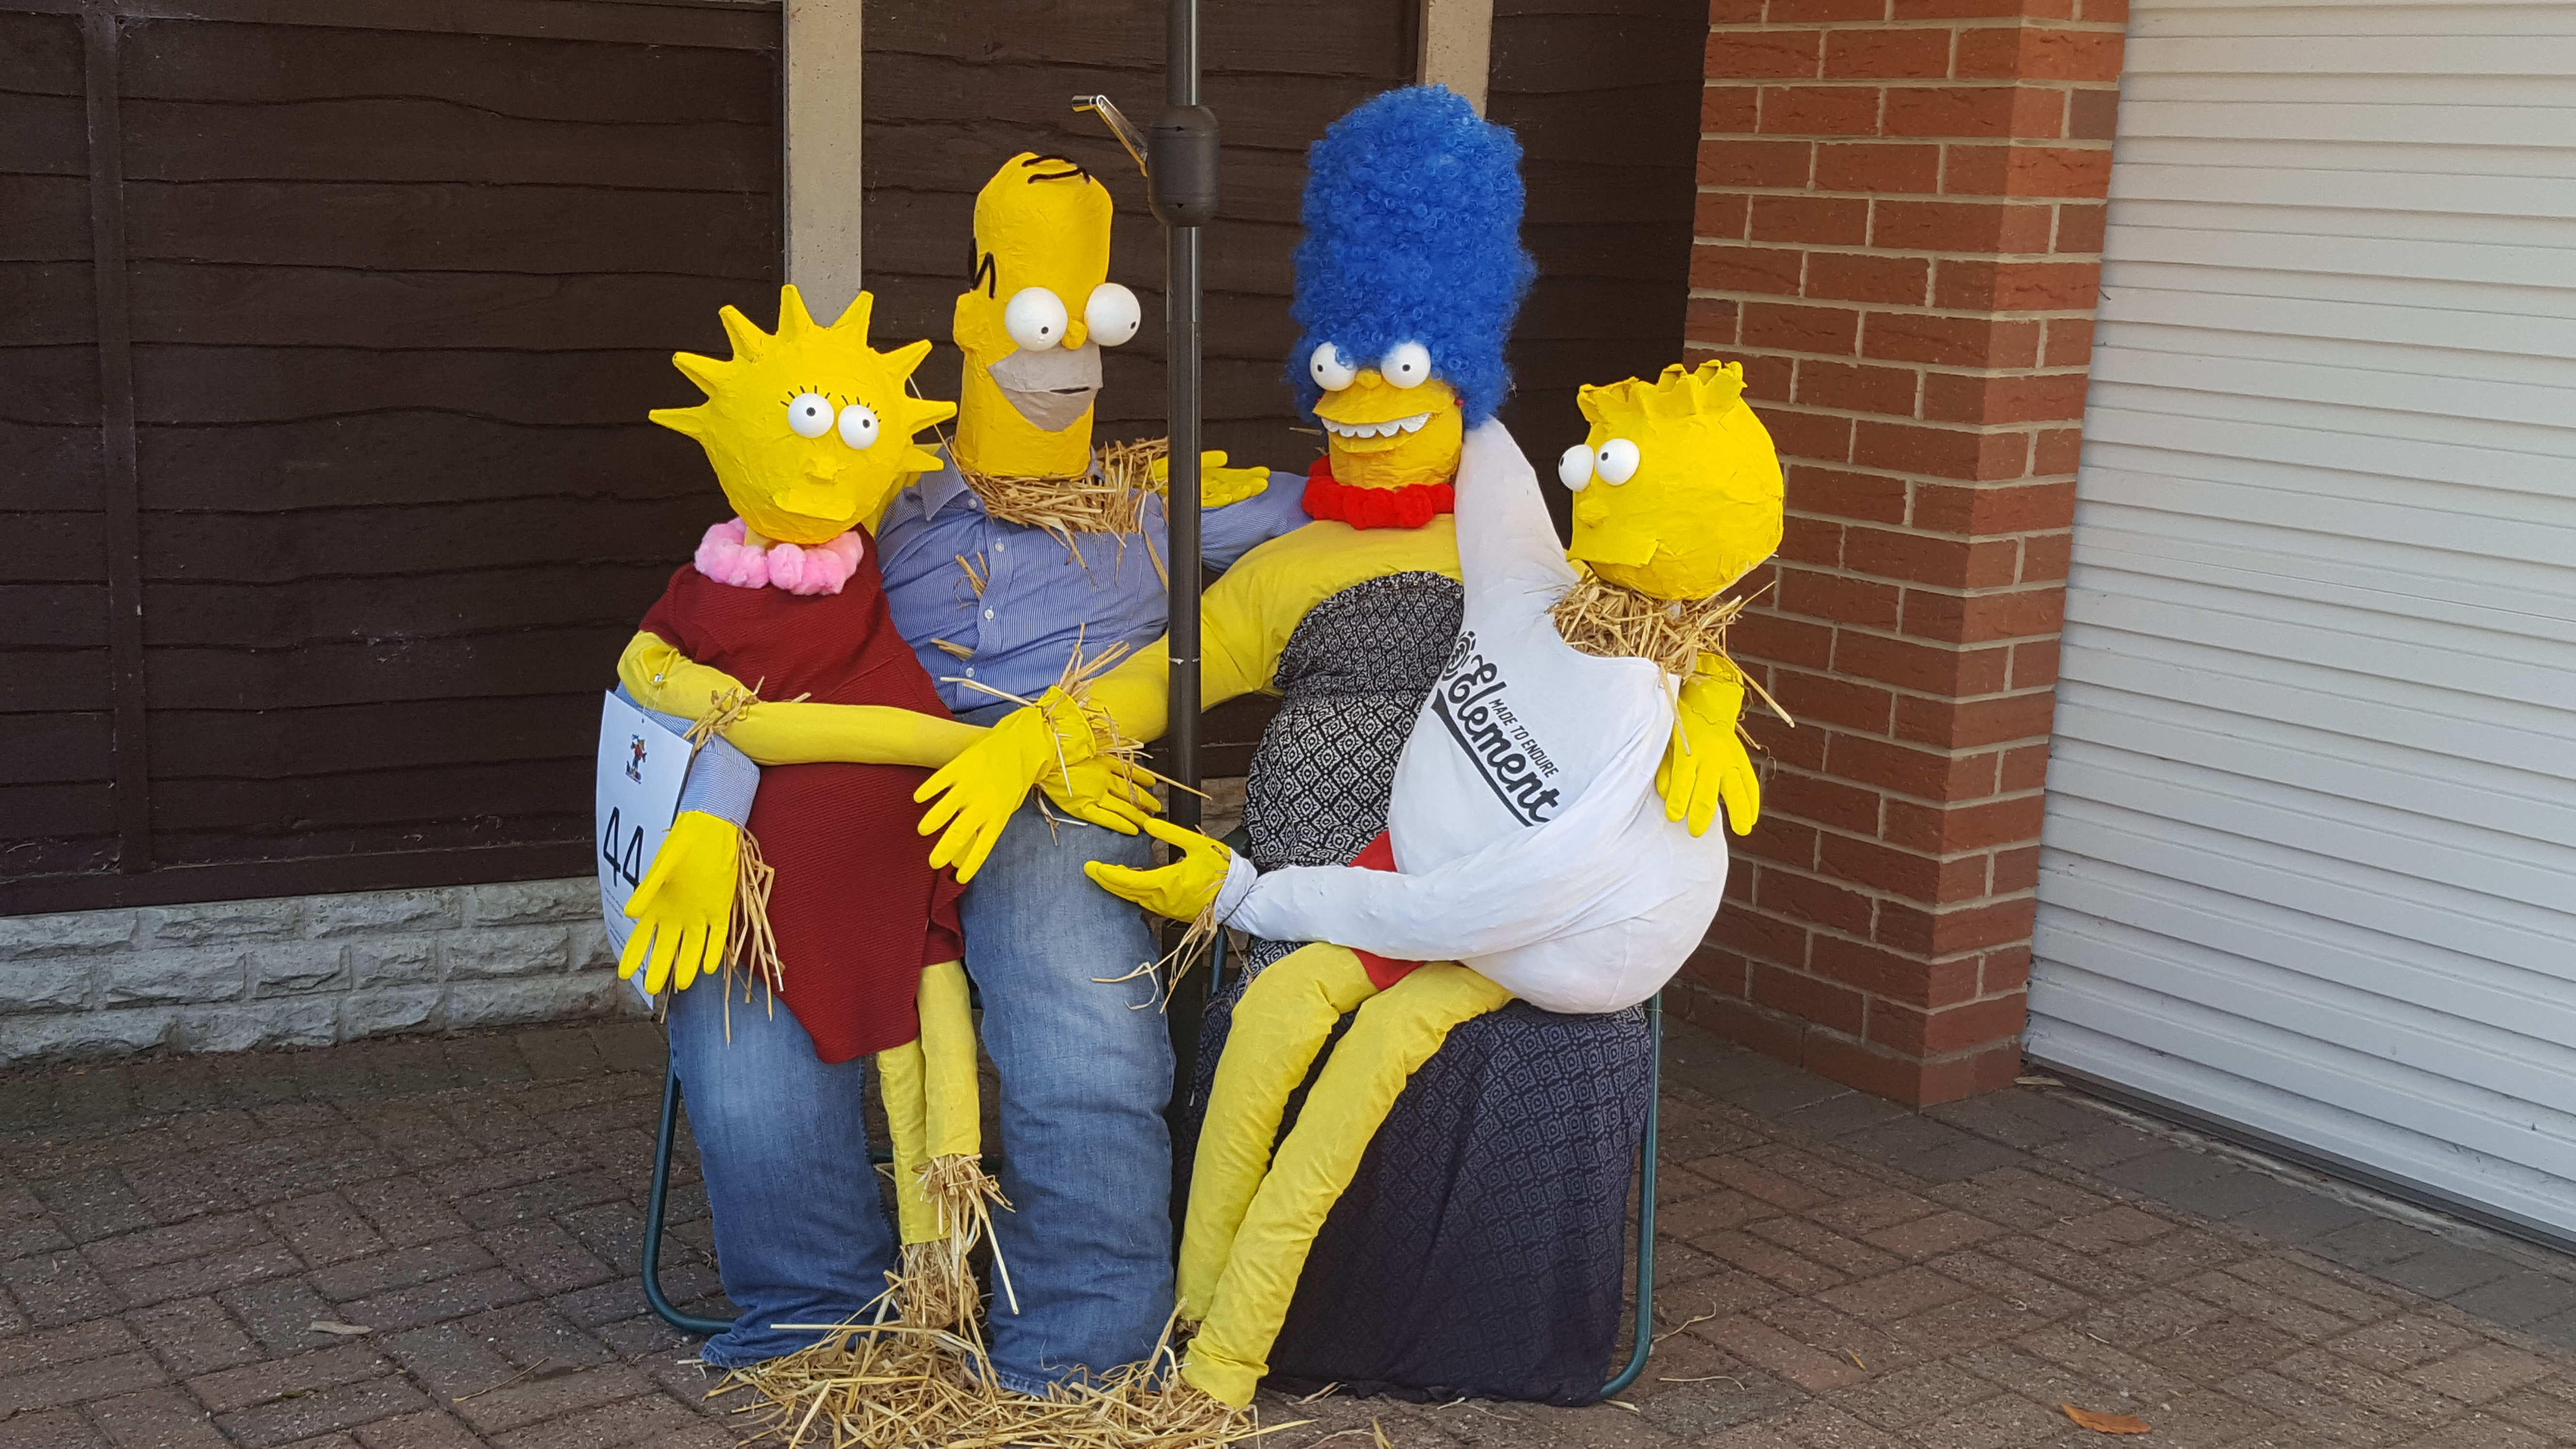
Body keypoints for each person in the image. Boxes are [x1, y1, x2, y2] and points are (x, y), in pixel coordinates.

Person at [917, 87, 1745, 1406]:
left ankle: (1421, 1329)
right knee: (1271, 1016)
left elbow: (1646, 638)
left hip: (1502, 902)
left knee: (1535, 1043)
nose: (1358, 397)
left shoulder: (1528, 556)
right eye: (1334, 367)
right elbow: (1157, 676)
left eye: (1398, 368)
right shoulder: (1286, 559)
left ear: (1459, 375)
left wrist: (1706, 711)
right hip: (1323, 889)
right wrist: (1035, 736)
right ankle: (1222, 1316)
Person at [617, 152, 1309, 1392]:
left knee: (1073, 1007)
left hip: (1059, 788)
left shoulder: (1157, 498)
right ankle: (819, 1319)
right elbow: (742, 607)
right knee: (741, 990)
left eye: (1090, 328)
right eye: (1039, 323)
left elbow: (1362, 508)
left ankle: (1083, 1349)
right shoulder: (890, 486)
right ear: (977, 323)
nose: (1063, 357)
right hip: (849, 784)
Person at [1086, 361, 1783, 1407]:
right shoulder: (1534, 596)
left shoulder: (1631, 714)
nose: (1586, 483)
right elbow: (1502, 484)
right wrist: (1451, 354)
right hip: (1430, 877)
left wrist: (1249, 895)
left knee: (1361, 1073)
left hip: (1546, 941)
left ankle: (1225, 1361)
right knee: (1271, 1013)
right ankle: (1189, 1304)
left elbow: (1479, 910)